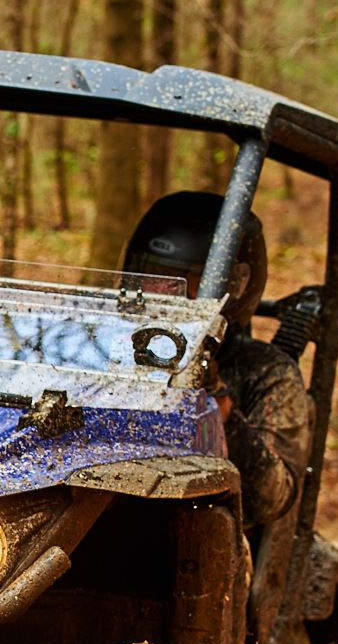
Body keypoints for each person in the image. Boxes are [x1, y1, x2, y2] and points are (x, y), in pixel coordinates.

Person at [123, 191, 312, 530]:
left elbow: (273, 498)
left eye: (185, 282)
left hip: (202, 534)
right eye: (152, 276)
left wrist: (217, 404)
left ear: (235, 286)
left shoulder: (266, 373)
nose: (161, 294)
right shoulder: (106, 350)